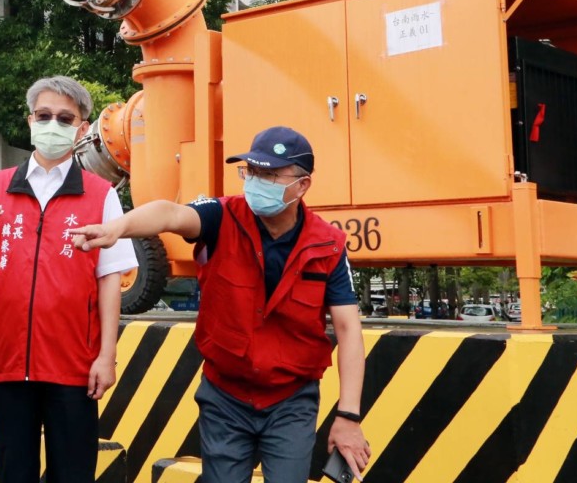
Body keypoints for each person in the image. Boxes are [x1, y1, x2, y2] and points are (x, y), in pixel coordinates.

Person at [70, 126, 371, 483]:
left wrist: (348, 417)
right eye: (252, 171)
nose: (257, 181)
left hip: (291, 399)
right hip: (225, 396)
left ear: (302, 185)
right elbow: (171, 214)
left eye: (270, 174)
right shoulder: (221, 216)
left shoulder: (328, 246)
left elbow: (349, 330)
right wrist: (120, 227)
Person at [0, 75, 138, 483]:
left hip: (74, 366)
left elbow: (111, 278)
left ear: (80, 129)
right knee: (13, 472)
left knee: (72, 474)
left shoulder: (100, 194)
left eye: (64, 118)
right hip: (6, 364)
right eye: (44, 115)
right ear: (30, 121)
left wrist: (105, 356)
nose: (52, 124)